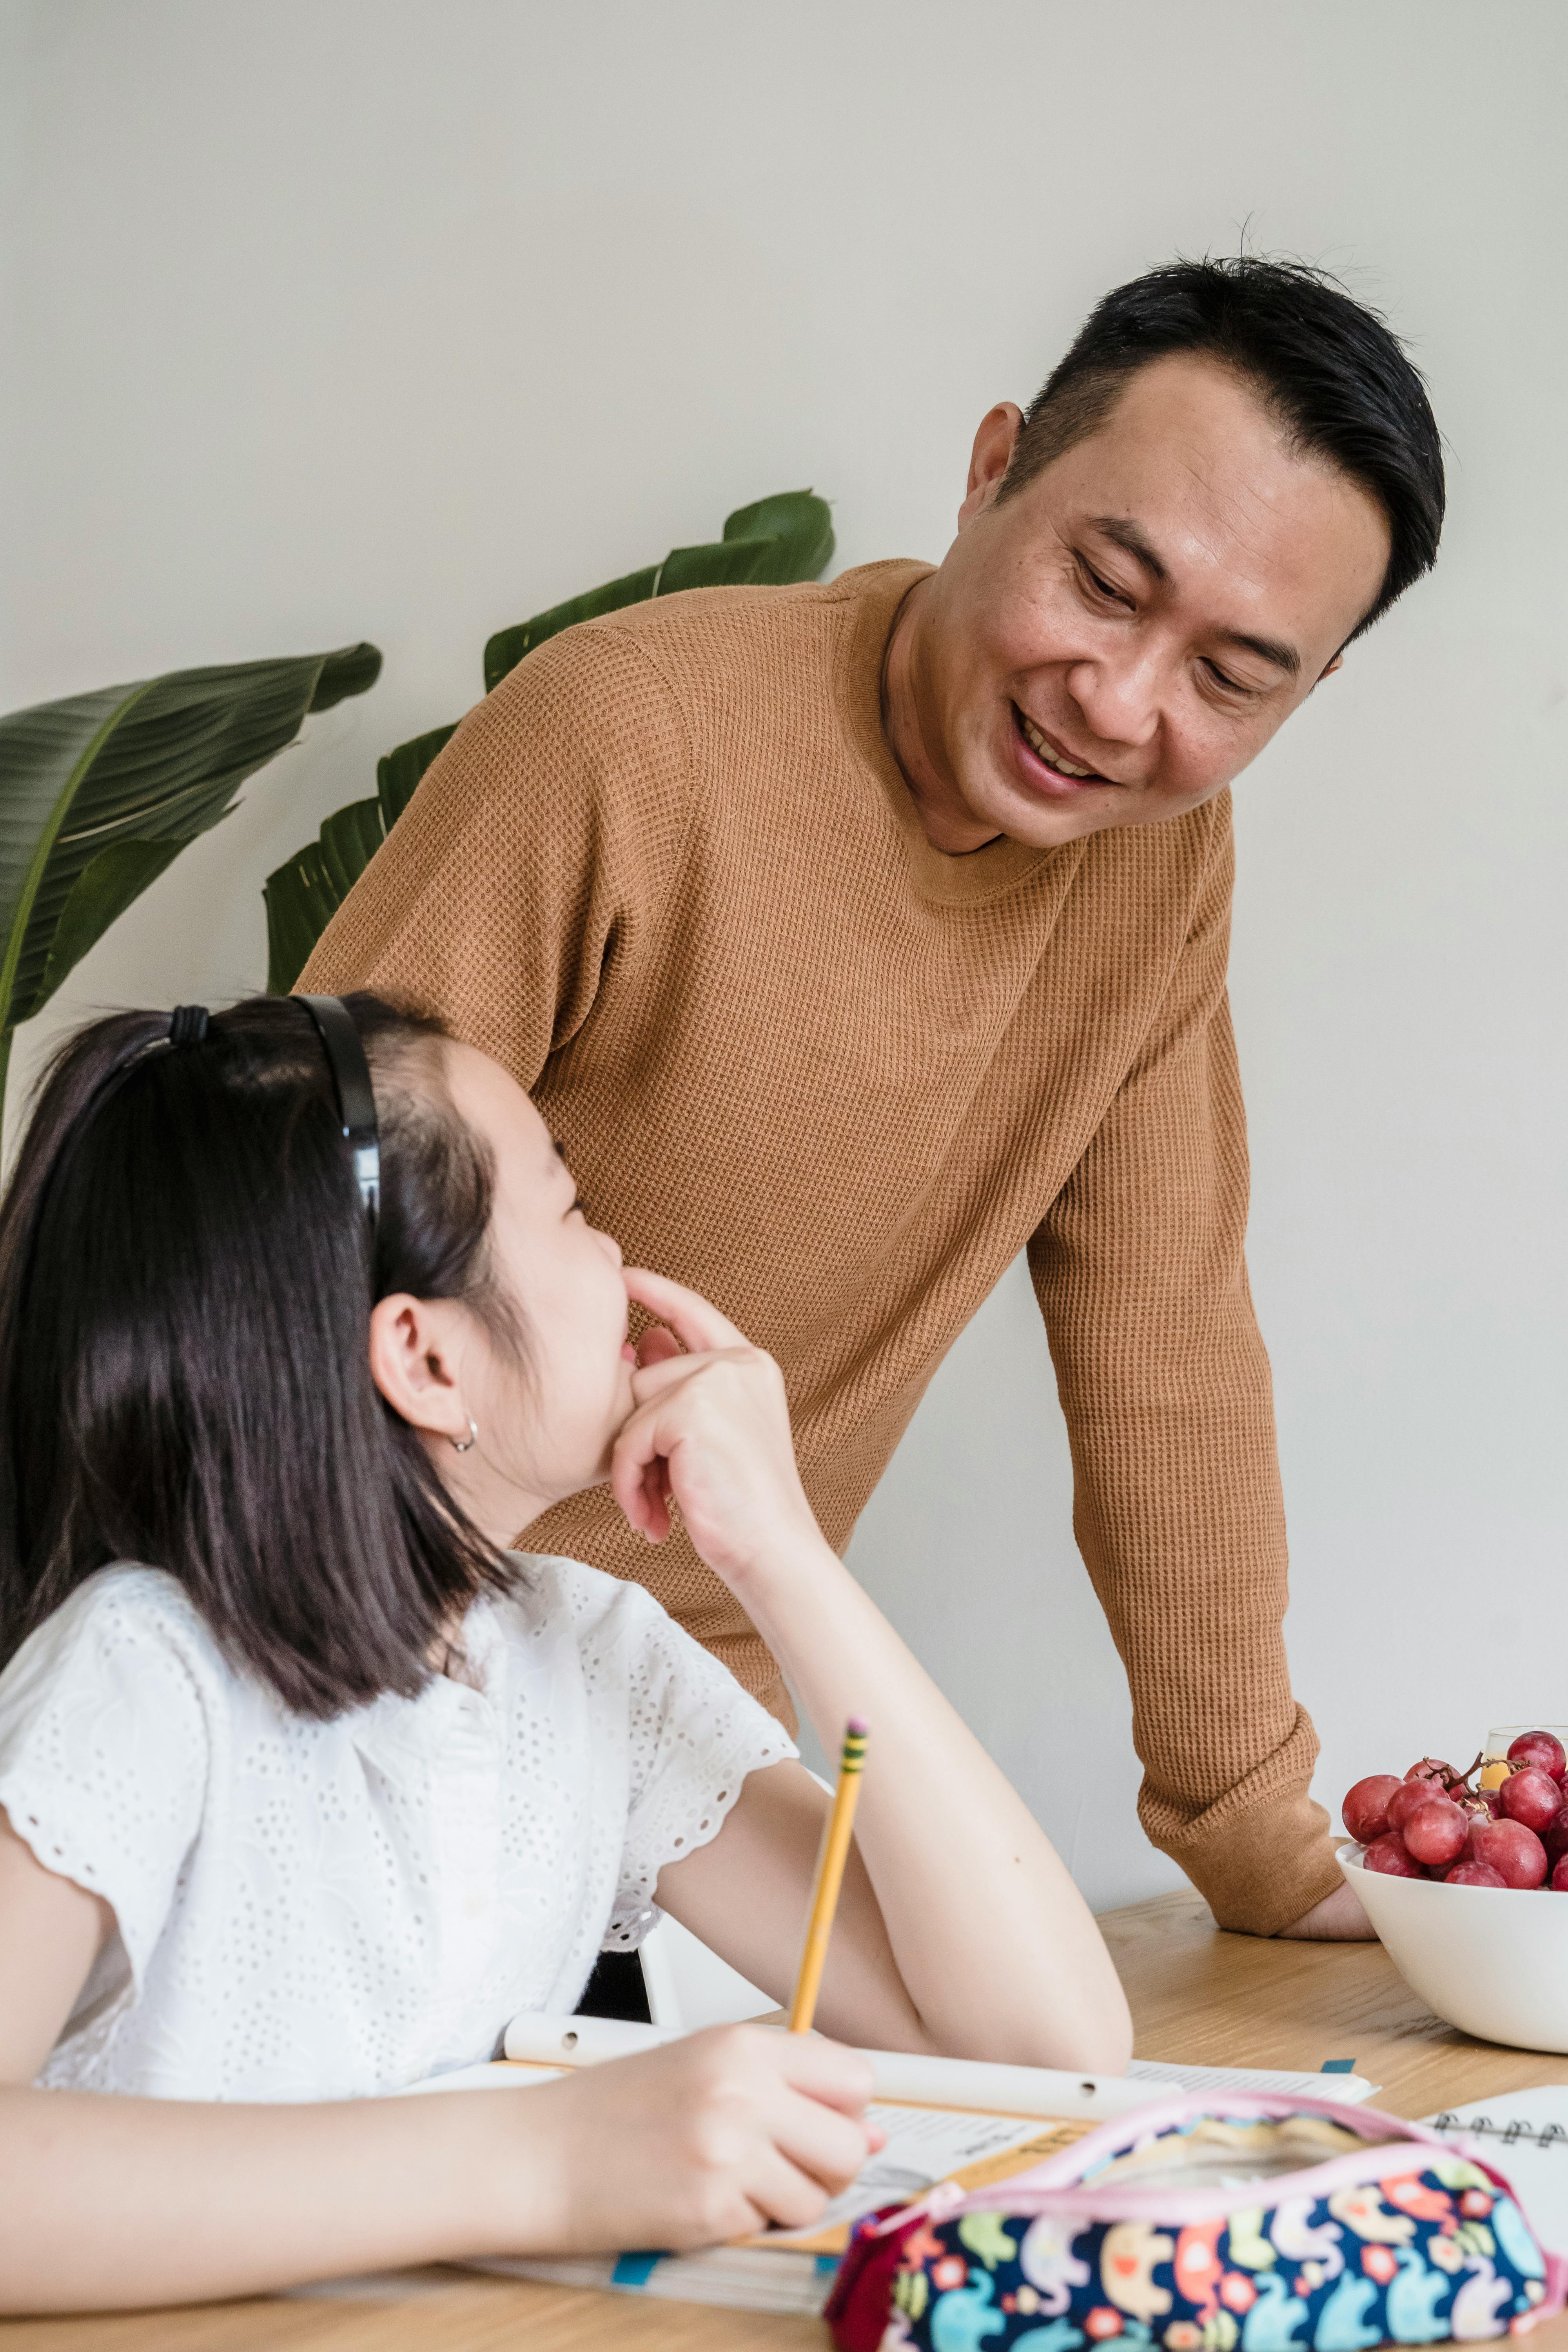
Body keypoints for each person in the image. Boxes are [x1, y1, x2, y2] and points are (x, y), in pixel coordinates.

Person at [301, 256, 1445, 1943]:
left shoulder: (1157, 869)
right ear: (992, 469)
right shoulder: (628, 737)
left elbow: (1167, 1344)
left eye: (1232, 677)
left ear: (1308, 689)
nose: (1122, 706)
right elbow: (272, 1235)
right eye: (1106, 584)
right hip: (362, 1686)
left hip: (693, 1745)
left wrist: (1257, 1836)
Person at [0, 993, 1129, 2313]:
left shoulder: (589, 1656)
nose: (619, 1262)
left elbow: (1050, 2046)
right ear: (426, 1357)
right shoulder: (146, 1673)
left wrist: (785, 1556)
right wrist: (546, 2157)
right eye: (573, 1209)